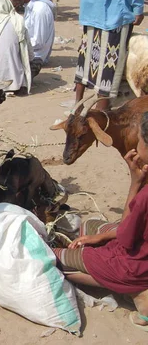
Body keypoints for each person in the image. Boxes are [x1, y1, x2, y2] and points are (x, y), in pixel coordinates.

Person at [52, 111, 148, 331]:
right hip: (139, 243)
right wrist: (101, 236)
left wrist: (135, 183)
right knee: (90, 225)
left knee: (54, 257)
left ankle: (138, 292)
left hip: (136, 264)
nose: (136, 143)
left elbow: (124, 236)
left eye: (140, 139)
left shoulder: (144, 195)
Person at [73, 0, 144, 111]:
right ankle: (101, 117)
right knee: (108, 70)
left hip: (90, 3)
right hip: (113, 8)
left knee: (87, 56)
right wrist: (137, 5)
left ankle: (76, 108)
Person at [5, 0, 56, 78]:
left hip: (36, 56)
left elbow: (38, 41)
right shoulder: (29, 6)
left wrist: (15, 46)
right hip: (29, 49)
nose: (13, 4)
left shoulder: (39, 10)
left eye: (12, 0)